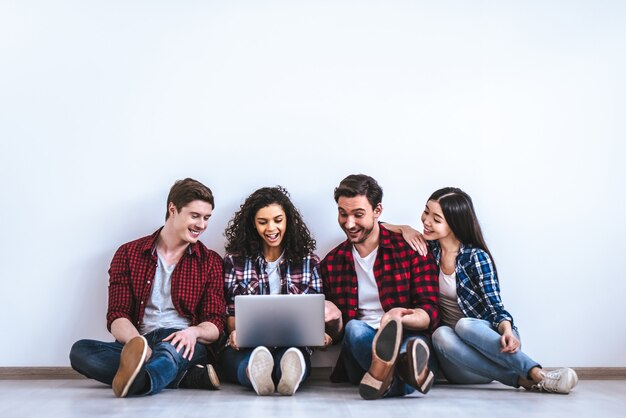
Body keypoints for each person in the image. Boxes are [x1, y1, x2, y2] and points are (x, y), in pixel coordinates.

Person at [387, 187, 578, 394]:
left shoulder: (475, 257)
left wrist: (506, 331)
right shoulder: (426, 252)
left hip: (497, 345)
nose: (426, 221)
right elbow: (376, 225)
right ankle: (524, 380)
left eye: (436, 218)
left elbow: (495, 306)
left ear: (454, 223)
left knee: (464, 324)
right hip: (459, 360)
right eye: (426, 212)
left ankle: (536, 374)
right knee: (440, 334)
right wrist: (403, 228)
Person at [69, 178, 226, 398]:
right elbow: (117, 315)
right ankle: (182, 377)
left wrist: (194, 332)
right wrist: (138, 346)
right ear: (173, 209)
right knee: (81, 351)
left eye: (207, 218)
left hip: (181, 341)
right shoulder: (128, 253)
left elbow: (216, 323)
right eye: (195, 216)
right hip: (138, 339)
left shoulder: (210, 261)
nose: (202, 225)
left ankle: (141, 382)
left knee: (172, 352)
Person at [321, 174, 440, 400]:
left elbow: (431, 312)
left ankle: (382, 377)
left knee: (411, 347)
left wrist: (399, 318)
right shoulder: (332, 263)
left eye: (358, 215)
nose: (349, 223)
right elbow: (334, 337)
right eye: (342, 214)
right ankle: (409, 378)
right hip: (359, 347)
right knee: (354, 329)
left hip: (407, 335)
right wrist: (332, 319)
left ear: (377, 211)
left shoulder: (410, 250)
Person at [218, 186, 328, 396]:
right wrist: (235, 332)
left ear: (288, 221)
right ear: (253, 224)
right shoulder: (235, 261)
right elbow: (232, 316)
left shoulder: (309, 262)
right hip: (249, 346)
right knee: (246, 358)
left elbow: (314, 315)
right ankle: (254, 373)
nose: (271, 228)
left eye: (278, 220)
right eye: (263, 222)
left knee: (294, 355)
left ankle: (288, 373)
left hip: (293, 343)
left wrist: (319, 334)